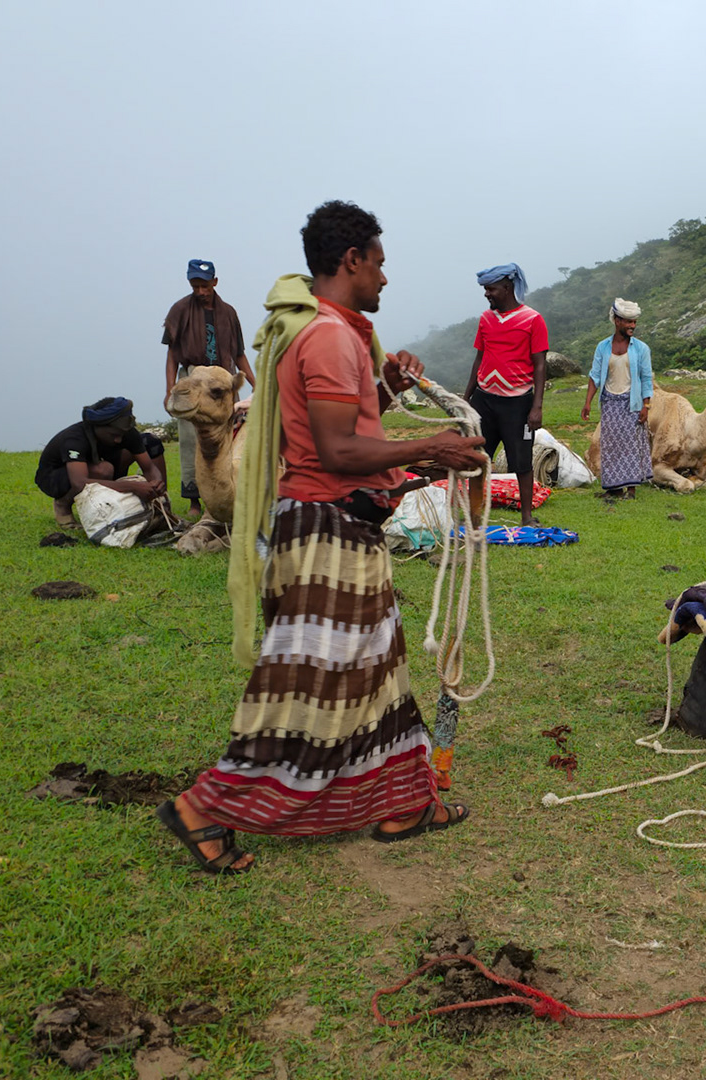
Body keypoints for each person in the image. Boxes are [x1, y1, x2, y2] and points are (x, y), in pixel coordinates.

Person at [157, 201, 488, 874]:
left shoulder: (316, 330)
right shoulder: (331, 337)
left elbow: (334, 426)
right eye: (380, 265)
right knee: (302, 691)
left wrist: (387, 390)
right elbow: (337, 450)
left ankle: (403, 802)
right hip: (326, 532)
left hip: (331, 528)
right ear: (352, 261)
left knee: (379, 675)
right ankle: (203, 807)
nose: (385, 280)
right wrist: (434, 445)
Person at [163, 259, 257, 519]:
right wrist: (170, 389)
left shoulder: (228, 312)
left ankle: (228, 492)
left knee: (229, 437)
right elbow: (171, 354)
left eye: (205, 285)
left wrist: (256, 384)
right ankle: (195, 500)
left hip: (221, 383)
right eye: (196, 286)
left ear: (215, 282)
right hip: (193, 379)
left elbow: (238, 353)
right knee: (192, 440)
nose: (201, 291)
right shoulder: (180, 310)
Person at [464, 262, 548, 526]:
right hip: (485, 400)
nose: (487, 294)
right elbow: (479, 358)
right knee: (478, 458)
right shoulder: (486, 319)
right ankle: (475, 516)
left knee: (521, 460)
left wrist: (536, 406)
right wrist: (465, 399)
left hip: (518, 403)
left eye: (491, 289)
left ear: (507, 287)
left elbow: (540, 364)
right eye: (485, 289)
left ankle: (526, 516)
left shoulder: (533, 319)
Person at [34, 398, 166, 528]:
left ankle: (161, 506)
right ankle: (63, 505)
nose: (118, 439)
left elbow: (149, 468)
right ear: (97, 427)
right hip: (56, 477)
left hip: (98, 466)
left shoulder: (126, 432)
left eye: (122, 434)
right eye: (113, 435)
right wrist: (133, 487)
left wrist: (157, 481)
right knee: (103, 470)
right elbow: (79, 482)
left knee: (149, 441)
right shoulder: (74, 438)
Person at [581, 298, 654, 499]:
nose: (632, 326)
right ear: (617, 321)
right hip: (610, 403)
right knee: (611, 446)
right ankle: (614, 489)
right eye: (628, 322)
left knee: (631, 446)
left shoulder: (641, 349)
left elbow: (647, 378)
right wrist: (587, 402)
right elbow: (595, 376)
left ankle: (631, 490)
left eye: (634, 322)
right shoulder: (603, 347)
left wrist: (646, 405)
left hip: (632, 403)